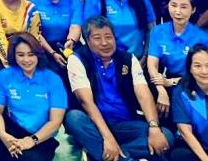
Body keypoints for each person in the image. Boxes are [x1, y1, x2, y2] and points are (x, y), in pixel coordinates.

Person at [65, 16, 174, 161]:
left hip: (125, 125)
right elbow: (86, 103)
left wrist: (154, 127)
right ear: (87, 41)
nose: (104, 43)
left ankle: (106, 154)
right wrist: (108, 138)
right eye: (97, 38)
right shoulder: (77, 60)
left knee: (166, 136)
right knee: (73, 118)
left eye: (108, 37)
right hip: (96, 126)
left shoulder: (128, 59)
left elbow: (143, 94)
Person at [0, 32, 67, 161]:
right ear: (14, 56)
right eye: (20, 55)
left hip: (40, 136)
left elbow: (55, 122)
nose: (26, 60)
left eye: (31, 54)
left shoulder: (53, 79)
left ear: (38, 54)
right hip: (11, 129)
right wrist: (3, 135)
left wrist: (32, 140)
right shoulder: (4, 75)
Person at [148, 0, 208, 117]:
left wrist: (172, 82)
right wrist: (161, 89)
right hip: (163, 80)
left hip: (192, 82)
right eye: (173, 5)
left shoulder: (202, 38)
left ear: (193, 10)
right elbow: (152, 64)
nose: (177, 11)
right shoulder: (157, 31)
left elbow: (203, 72)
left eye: (184, 7)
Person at [30, 0, 84, 67]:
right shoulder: (33, 2)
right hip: (42, 47)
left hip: (67, 44)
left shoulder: (74, 2)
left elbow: (75, 26)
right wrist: (52, 53)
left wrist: (71, 41)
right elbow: (36, 32)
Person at [172, 43, 208, 161]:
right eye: (197, 66)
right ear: (190, 69)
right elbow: (185, 131)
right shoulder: (181, 92)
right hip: (198, 148)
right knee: (179, 155)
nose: (204, 71)